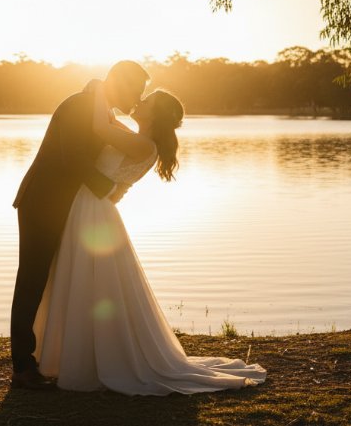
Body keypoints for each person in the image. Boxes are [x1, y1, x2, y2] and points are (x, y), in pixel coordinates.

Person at [32, 81, 267, 395]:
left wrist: (100, 89)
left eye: (147, 100)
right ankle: (80, 355)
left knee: (91, 282)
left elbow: (101, 126)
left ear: (155, 115)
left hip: (93, 212)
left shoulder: (144, 146)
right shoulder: (138, 139)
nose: (139, 100)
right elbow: (110, 126)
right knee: (84, 281)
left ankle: (90, 361)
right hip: (90, 208)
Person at [10, 61, 150, 390]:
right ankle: (22, 366)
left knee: (57, 278)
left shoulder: (100, 109)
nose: (137, 98)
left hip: (68, 207)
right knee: (32, 279)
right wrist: (109, 190)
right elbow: (72, 157)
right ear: (118, 82)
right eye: (136, 90)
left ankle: (58, 355)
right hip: (42, 203)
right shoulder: (81, 105)